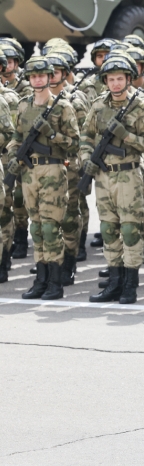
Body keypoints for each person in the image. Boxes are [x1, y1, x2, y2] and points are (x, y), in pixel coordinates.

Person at [80, 55, 144, 305]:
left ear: (128, 79)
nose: (115, 83)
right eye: (111, 79)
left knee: (130, 229)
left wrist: (126, 137)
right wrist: (86, 159)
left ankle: (130, 285)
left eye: (119, 79)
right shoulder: (98, 105)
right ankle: (114, 282)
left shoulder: (141, 106)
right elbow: (86, 136)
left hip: (129, 174)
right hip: (104, 175)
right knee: (108, 229)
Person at [7, 56, 79, 300]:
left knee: (50, 227)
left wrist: (53, 135)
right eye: (33, 75)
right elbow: (16, 136)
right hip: (29, 173)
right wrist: (13, 151)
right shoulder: (23, 106)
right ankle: (41, 279)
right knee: (36, 228)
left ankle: (55, 282)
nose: (37, 79)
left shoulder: (63, 107)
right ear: (29, 78)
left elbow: (75, 144)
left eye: (42, 75)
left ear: (50, 77)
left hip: (53, 171)